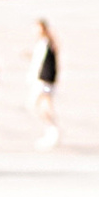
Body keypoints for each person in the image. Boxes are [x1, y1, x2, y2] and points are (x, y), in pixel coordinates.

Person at [33, 17, 61, 149]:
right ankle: (51, 131)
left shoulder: (45, 42)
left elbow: (40, 62)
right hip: (48, 78)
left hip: (44, 79)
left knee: (38, 105)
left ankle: (52, 130)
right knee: (44, 105)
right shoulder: (49, 41)